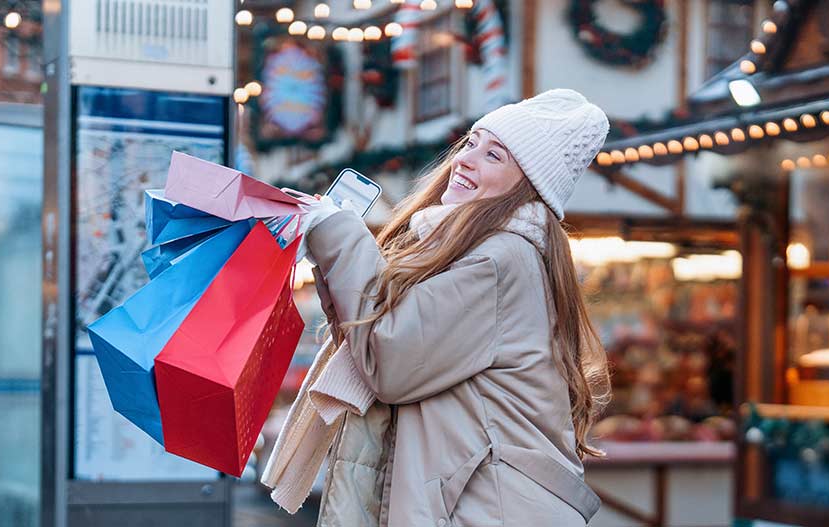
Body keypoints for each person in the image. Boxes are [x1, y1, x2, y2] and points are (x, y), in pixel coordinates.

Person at [261, 89, 612, 526]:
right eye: (471, 143)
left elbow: (390, 357)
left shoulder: (497, 260)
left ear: (527, 186)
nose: (465, 159)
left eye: (495, 156)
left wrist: (341, 235)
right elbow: (381, 341)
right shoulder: (474, 252)